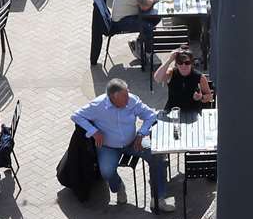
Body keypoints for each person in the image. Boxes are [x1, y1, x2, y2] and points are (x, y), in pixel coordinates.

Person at [72, 79, 176, 211]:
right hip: (108, 147)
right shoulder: (97, 105)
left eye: (128, 94)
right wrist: (93, 131)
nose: (128, 99)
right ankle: (118, 186)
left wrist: (141, 133)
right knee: (107, 172)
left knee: (157, 155)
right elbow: (76, 116)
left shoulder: (132, 100)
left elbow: (150, 115)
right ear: (112, 98)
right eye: (124, 97)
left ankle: (158, 198)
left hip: (133, 142)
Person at [155, 47, 214, 112]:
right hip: (173, 111)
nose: (183, 65)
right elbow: (157, 78)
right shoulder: (171, 73)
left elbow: (210, 96)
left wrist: (201, 97)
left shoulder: (199, 77)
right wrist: (169, 60)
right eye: (180, 62)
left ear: (191, 63)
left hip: (192, 112)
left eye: (187, 63)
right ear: (176, 64)